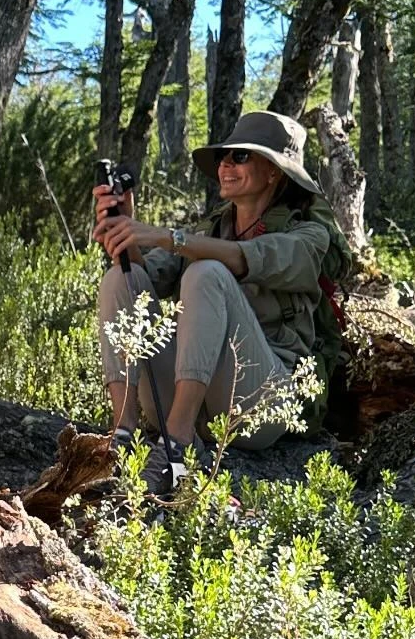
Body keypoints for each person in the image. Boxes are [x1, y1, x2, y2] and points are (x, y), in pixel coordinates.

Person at [93, 110, 352, 496]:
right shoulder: (213, 228)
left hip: (262, 404)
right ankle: (123, 434)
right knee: (120, 279)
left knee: (207, 273)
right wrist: (125, 235)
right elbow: (148, 276)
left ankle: (176, 445)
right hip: (201, 401)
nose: (226, 165)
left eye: (241, 156)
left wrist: (167, 235)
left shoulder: (310, 235)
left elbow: (248, 257)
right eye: (223, 157)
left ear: (275, 171)